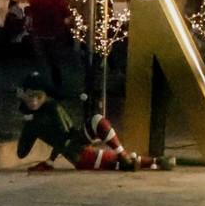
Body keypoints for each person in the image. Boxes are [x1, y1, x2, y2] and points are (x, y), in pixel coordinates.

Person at [15, 72, 174, 172]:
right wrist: (29, 126)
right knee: (112, 162)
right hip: (78, 155)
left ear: (45, 96)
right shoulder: (33, 121)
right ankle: (153, 161)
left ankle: (126, 155)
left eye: (38, 97)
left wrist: (50, 160)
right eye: (30, 97)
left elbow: (66, 136)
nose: (34, 101)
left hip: (76, 145)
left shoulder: (53, 108)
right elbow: (22, 152)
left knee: (97, 121)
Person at [25, 0, 75, 94]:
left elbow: (31, 16)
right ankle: (57, 85)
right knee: (55, 61)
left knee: (41, 61)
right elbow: (66, 15)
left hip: (39, 34)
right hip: (55, 34)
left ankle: (43, 85)